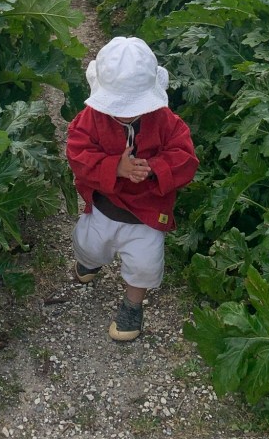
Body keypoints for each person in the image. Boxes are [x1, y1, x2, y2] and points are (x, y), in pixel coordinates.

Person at [66, 36, 199, 342]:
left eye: (133, 105)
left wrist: (155, 168)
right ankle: (90, 261)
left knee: (144, 263)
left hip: (147, 211)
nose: (125, 112)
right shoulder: (90, 118)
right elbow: (77, 152)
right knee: (89, 244)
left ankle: (132, 304)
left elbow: (186, 158)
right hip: (106, 202)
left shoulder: (166, 121)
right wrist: (114, 167)